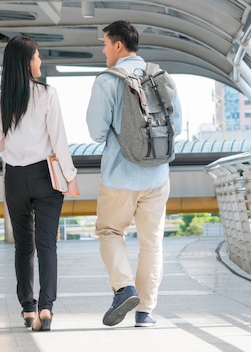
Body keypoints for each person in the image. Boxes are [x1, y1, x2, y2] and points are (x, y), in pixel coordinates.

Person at [86, 20, 182, 328]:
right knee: (151, 243)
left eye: (105, 44)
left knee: (110, 232)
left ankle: (123, 287)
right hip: (157, 176)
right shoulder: (160, 76)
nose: (103, 50)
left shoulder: (107, 80)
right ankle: (145, 312)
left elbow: (96, 132)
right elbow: (176, 126)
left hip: (119, 176)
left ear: (118, 45)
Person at [0, 36, 79, 332]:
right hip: (46, 176)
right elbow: (59, 138)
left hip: (15, 177)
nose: (40, 61)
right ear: (27, 62)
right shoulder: (47, 94)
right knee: (46, 245)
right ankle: (46, 308)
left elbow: (0, 144)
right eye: (37, 56)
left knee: (23, 246)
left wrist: (19, 150)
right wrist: (69, 175)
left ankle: (27, 309)